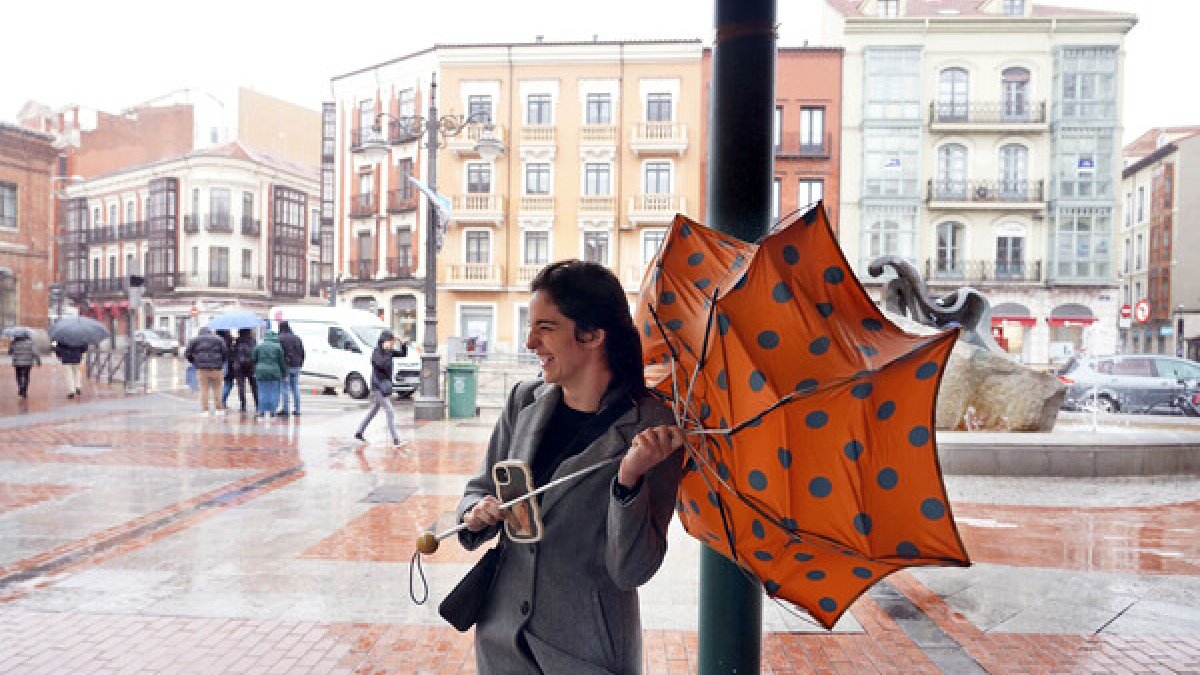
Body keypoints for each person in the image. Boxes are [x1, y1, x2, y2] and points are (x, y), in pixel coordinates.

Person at [456, 260, 684, 675]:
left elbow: (632, 569)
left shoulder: (653, 430)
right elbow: (480, 486)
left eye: (545, 328)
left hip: (586, 651)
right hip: (502, 641)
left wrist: (628, 481)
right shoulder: (522, 402)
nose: (529, 342)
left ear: (593, 335)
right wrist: (475, 513)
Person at [353, 330, 408, 445]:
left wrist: (402, 343)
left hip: (383, 384)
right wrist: (388, 351)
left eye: (393, 342)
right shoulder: (376, 352)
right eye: (391, 342)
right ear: (384, 341)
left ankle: (359, 432)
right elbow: (381, 364)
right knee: (390, 411)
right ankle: (396, 440)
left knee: (373, 410)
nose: (392, 344)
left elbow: (403, 354)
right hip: (377, 385)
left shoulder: (389, 351)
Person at [184, 327, 229, 416]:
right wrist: (220, 362)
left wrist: (194, 362)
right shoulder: (219, 339)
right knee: (217, 389)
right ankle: (219, 409)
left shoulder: (194, 340)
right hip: (217, 368)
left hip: (202, 369)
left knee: (204, 389)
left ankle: (205, 410)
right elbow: (225, 353)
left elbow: (187, 354)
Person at [251, 330, 287, 421]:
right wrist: (284, 373)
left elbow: (253, 358)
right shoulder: (278, 347)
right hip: (275, 371)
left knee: (262, 391)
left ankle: (262, 411)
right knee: (273, 392)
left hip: (261, 371)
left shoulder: (259, 346)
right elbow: (281, 362)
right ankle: (272, 412)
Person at [276, 320, 305, 417]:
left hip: (285, 366)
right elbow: (302, 352)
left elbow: (278, 354)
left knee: (284, 388)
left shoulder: (279, 338)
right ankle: (297, 409)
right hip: (296, 366)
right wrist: (300, 364)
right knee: (295, 387)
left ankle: (285, 409)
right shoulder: (297, 338)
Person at [230, 328, 258, 413]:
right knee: (254, 386)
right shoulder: (253, 341)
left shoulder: (237, 342)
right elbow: (256, 353)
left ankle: (243, 405)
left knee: (241, 386)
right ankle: (257, 404)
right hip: (251, 366)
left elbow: (232, 354)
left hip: (239, 366)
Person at [8, 333, 41, 398]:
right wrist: (38, 360)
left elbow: (10, 352)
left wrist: (11, 346)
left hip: (17, 362)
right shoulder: (30, 343)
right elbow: (35, 352)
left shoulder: (14, 342)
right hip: (27, 362)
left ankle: (21, 387)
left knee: (18, 376)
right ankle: (24, 391)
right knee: (26, 376)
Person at [216, 329, 236, 407]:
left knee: (219, 385)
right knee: (229, 383)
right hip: (227, 365)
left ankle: (221, 401)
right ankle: (221, 401)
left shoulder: (217, 340)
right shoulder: (228, 340)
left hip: (217, 365)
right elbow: (230, 354)